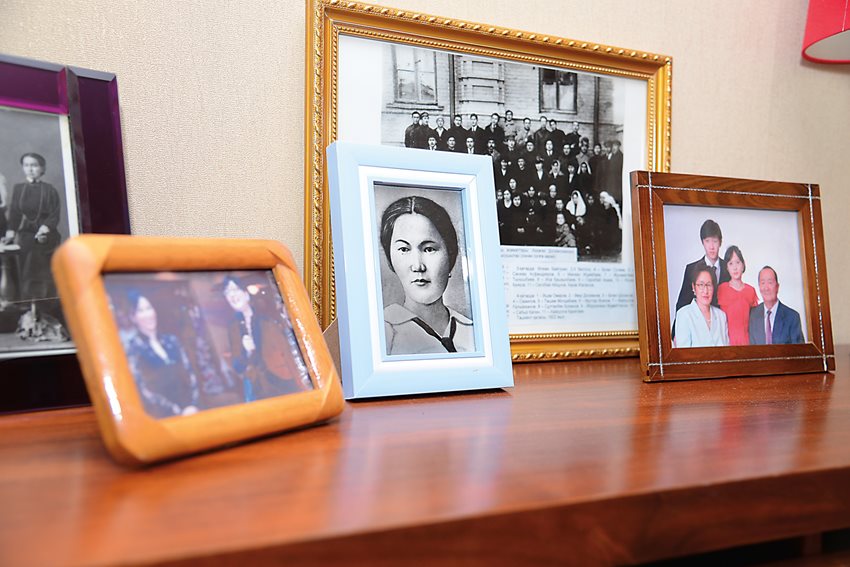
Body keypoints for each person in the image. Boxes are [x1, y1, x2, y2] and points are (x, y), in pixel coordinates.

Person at [379, 196, 474, 354]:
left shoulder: (473, 330)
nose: (418, 266)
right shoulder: (382, 331)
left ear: (450, 254)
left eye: (429, 249)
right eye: (404, 249)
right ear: (390, 259)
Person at [222, 275, 313, 401]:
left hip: (282, 381)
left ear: (245, 294)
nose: (232, 295)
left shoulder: (266, 318)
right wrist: (248, 352)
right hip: (258, 388)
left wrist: (303, 385)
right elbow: (237, 366)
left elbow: (287, 352)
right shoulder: (234, 328)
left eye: (234, 290)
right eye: (227, 293)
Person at [124, 292, 200, 418]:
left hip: (192, 410)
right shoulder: (133, 349)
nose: (148, 314)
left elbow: (190, 372)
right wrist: (176, 411)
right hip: (164, 417)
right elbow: (144, 390)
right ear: (133, 317)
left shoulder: (172, 340)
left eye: (149, 308)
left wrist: (192, 405)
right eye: (141, 310)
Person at [4, 153, 62, 301]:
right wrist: (10, 233)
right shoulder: (19, 189)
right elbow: (15, 213)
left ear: (42, 168)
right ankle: (27, 301)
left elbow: (54, 215)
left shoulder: (50, 190)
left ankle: (44, 301)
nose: (30, 169)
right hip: (26, 233)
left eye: (34, 165)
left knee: (37, 255)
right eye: (27, 165)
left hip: (47, 234)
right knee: (24, 250)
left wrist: (44, 229)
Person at [674, 219, 730, 314]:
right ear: (702, 242)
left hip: (722, 324)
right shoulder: (691, 269)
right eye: (707, 241)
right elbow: (681, 305)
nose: (711, 247)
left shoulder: (729, 268)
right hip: (698, 324)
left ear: (720, 242)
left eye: (715, 241)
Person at [674, 265, 729, 348]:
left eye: (709, 285)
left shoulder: (721, 316)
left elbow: (727, 350)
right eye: (701, 285)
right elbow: (683, 356)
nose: (705, 291)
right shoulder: (684, 315)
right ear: (693, 287)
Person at [748, 266, 804, 345]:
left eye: (770, 282)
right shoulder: (752, 315)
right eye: (763, 283)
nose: (766, 288)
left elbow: (800, 353)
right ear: (759, 287)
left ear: (777, 286)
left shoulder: (792, 317)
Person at [716, 246, 759, 346]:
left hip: (748, 343)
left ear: (743, 265)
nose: (735, 267)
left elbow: (755, 322)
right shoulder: (721, 289)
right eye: (731, 263)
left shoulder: (750, 290)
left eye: (738, 262)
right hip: (725, 343)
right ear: (727, 267)